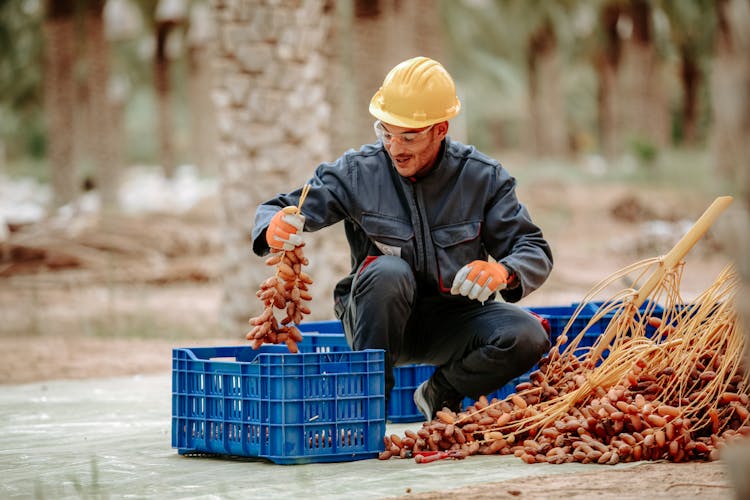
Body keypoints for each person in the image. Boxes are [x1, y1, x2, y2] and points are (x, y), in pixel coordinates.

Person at [251, 56, 553, 420]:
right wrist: (274, 224)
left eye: (409, 137)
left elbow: (532, 248)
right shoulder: (358, 172)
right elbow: (283, 206)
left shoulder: (482, 179)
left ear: (441, 129)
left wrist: (505, 272)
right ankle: (367, 410)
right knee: (389, 272)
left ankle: (440, 392)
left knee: (528, 334)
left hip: (453, 321)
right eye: (386, 133)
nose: (395, 148)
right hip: (375, 319)